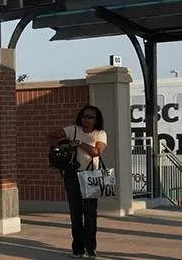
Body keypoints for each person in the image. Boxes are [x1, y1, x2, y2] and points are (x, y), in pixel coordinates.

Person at [49, 105, 107, 258]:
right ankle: (77, 249)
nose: (85, 119)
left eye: (90, 117)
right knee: (75, 213)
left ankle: (90, 248)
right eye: (83, 116)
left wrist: (79, 143)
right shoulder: (73, 129)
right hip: (72, 175)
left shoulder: (100, 133)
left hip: (91, 175)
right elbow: (51, 136)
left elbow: (97, 152)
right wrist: (62, 147)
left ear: (96, 120)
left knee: (90, 213)